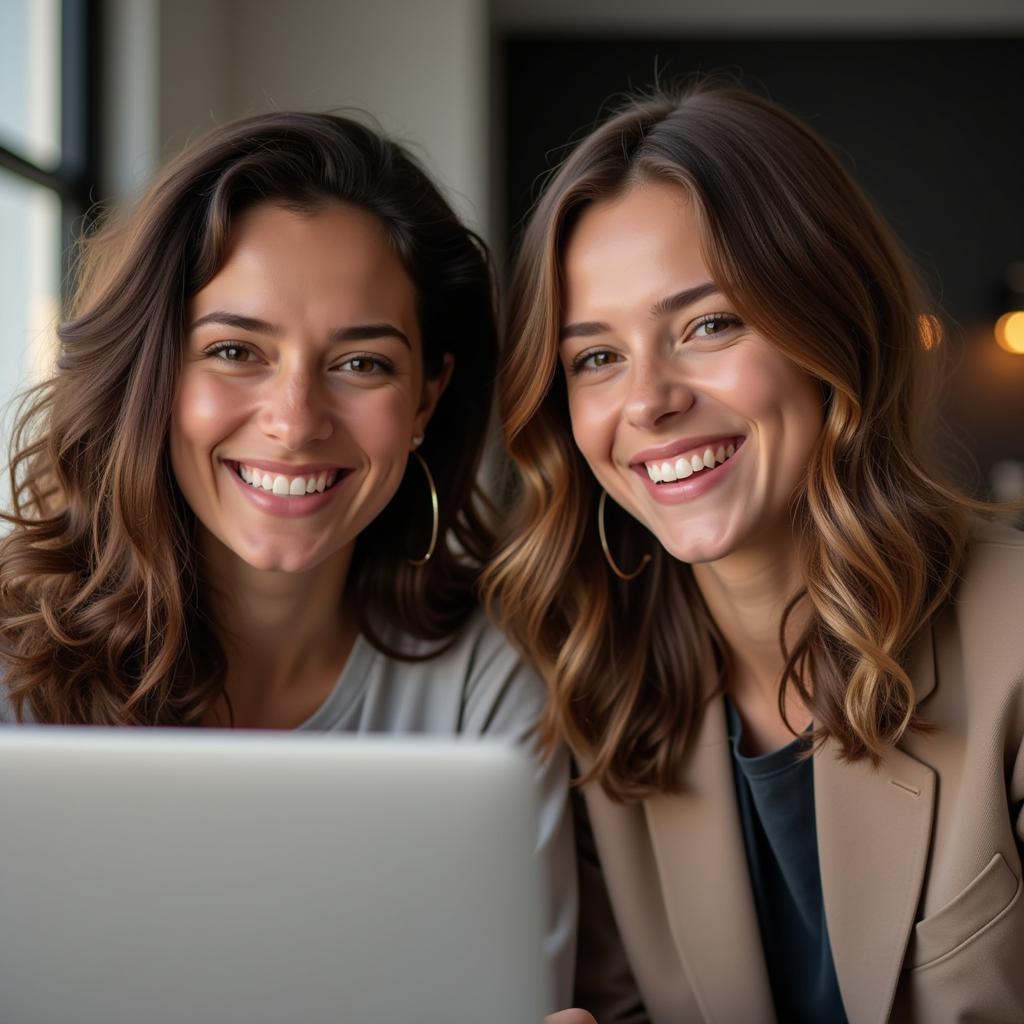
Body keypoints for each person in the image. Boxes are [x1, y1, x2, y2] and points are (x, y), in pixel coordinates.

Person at [0, 111, 575, 1003]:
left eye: (362, 365)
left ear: (428, 398)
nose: (296, 420)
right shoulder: (13, 660)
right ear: (152, 373)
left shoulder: (487, 682)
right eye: (235, 351)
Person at [485, 85, 1024, 1023]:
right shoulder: (591, 694)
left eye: (708, 325)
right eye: (596, 358)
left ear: (832, 333)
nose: (648, 402)